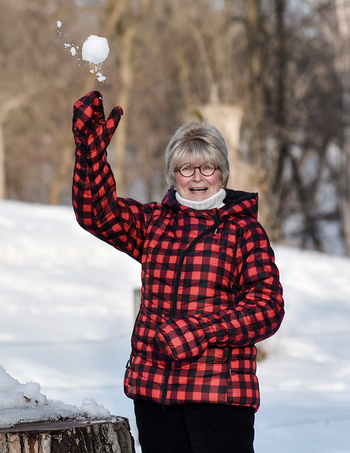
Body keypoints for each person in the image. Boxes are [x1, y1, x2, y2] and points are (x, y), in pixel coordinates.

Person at [72, 91, 284, 453]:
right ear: (174, 174)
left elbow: (267, 310)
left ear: (223, 173)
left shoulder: (243, 231)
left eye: (208, 167)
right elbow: (97, 212)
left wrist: (201, 330)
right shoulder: (154, 222)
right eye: (186, 168)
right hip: (154, 393)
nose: (197, 177)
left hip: (218, 395)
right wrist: (91, 153)